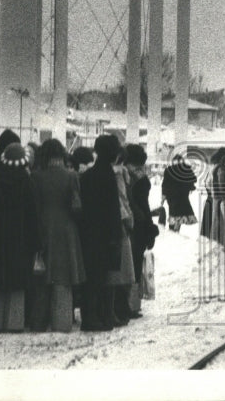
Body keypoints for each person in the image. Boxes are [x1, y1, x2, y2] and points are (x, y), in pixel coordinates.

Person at [29, 138, 85, 332]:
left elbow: (33, 206)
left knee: (41, 279)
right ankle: (62, 322)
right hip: (66, 230)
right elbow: (77, 206)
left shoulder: (36, 176)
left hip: (42, 227)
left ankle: (38, 322)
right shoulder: (71, 176)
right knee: (63, 279)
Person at [0, 142, 40, 332]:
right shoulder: (26, 182)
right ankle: (14, 322)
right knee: (17, 282)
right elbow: (32, 214)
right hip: (20, 238)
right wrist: (35, 241)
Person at [78, 134, 123, 331]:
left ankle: (90, 316)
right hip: (106, 234)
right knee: (103, 277)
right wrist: (116, 235)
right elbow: (113, 210)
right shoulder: (109, 177)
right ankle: (100, 318)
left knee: (91, 276)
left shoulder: (87, 176)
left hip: (88, 232)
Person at [127, 144, 158, 314]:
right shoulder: (140, 177)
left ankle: (124, 303)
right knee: (136, 263)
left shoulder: (123, 173)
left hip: (125, 222)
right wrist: (150, 228)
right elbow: (144, 206)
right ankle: (133, 304)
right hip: (138, 224)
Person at [108, 146, 137, 325]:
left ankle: (118, 308)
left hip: (110, 225)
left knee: (117, 271)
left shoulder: (117, 173)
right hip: (120, 226)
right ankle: (120, 308)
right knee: (123, 270)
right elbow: (122, 200)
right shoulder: (118, 175)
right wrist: (129, 220)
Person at [161, 154, 198, 232]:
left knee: (173, 213)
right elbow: (194, 179)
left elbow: (165, 185)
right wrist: (189, 186)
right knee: (180, 213)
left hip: (171, 196)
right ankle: (176, 229)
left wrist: (163, 197)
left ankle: (173, 230)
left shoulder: (169, 170)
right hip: (183, 196)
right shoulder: (186, 169)